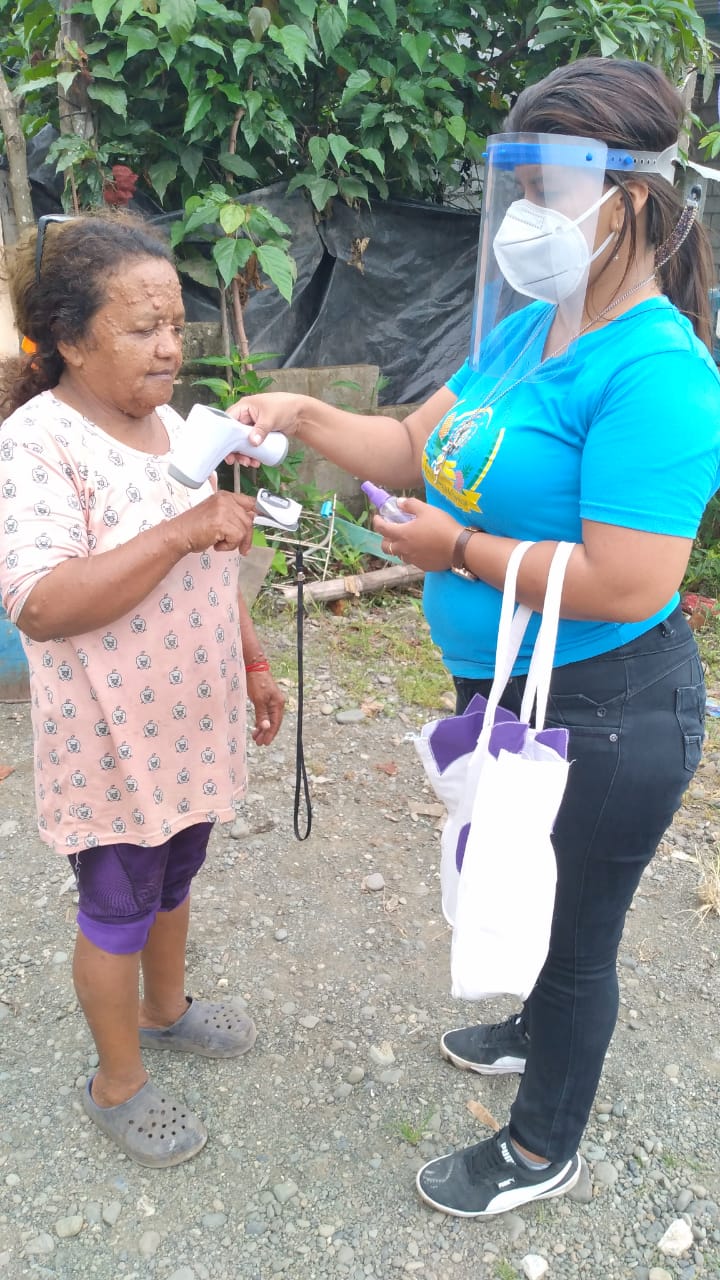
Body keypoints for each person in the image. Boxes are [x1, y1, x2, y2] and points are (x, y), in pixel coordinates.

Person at [225, 58, 720, 1216]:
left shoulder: (659, 372)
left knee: (580, 929)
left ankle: (543, 1146)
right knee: (528, 879)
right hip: (511, 683)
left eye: (549, 191)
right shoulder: (530, 329)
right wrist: (301, 412)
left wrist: (458, 550)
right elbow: (414, 446)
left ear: (628, 199)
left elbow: (630, 579)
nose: (525, 219)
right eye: (522, 189)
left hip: (608, 703)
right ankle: (533, 1024)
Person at [0, 210, 285, 1169]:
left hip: (189, 723)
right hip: (111, 741)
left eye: (174, 325)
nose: (171, 347)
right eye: (141, 327)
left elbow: (212, 567)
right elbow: (41, 603)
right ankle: (116, 1081)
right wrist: (183, 528)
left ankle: (166, 1010)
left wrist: (251, 658)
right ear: (71, 339)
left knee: (175, 881)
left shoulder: (171, 428)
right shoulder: (38, 444)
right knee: (117, 910)